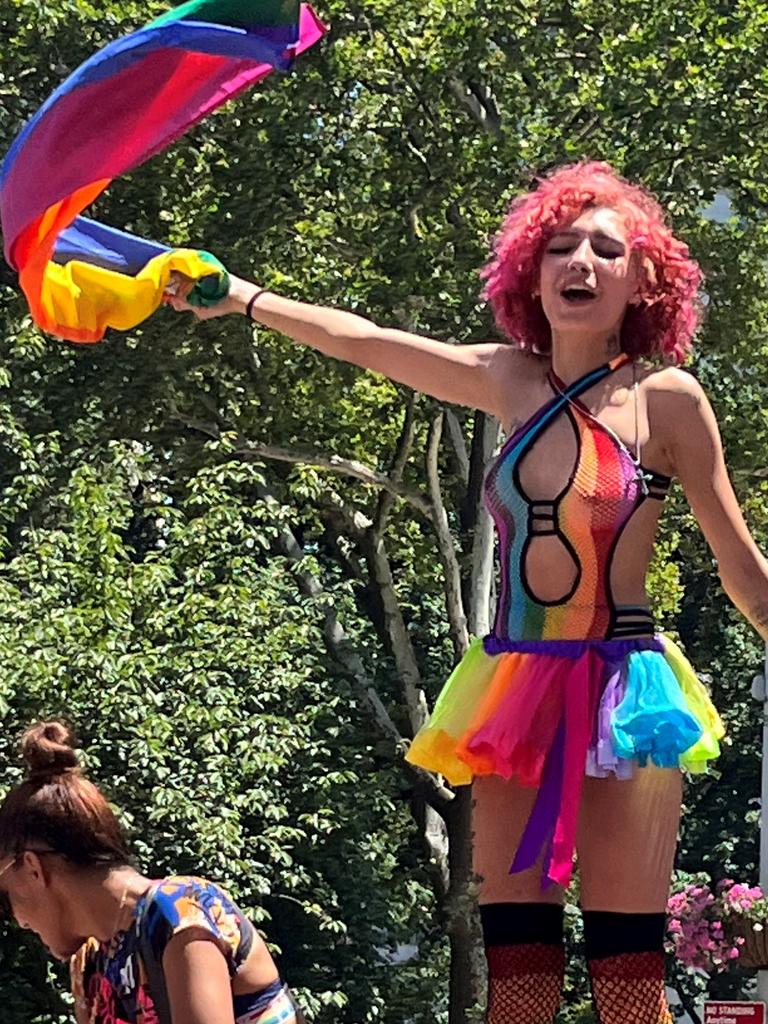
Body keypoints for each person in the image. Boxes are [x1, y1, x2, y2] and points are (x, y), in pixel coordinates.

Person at [167, 161, 768, 1024]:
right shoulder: (504, 377)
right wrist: (243, 296)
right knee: (517, 978)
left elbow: (743, 571)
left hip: (625, 696)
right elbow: (363, 341)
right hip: (515, 685)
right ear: (532, 269)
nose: (582, 263)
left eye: (608, 249)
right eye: (562, 246)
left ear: (644, 280)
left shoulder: (666, 400)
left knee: (627, 983)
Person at [0, 720, 303, 1024]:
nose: (17, 919)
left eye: (5, 895)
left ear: (32, 868)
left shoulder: (179, 913)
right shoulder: (89, 962)